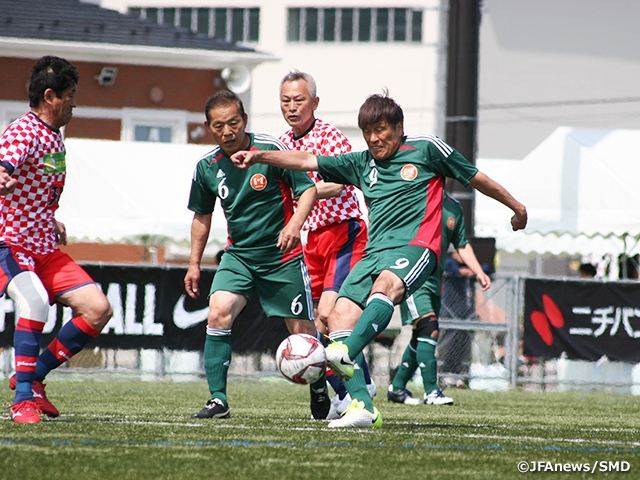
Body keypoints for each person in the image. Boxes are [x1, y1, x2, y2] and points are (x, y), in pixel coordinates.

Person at [231, 92, 527, 428]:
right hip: (373, 253)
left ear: (399, 127)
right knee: (337, 316)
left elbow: (476, 178)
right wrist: (258, 156)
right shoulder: (361, 163)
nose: (374, 138)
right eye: (368, 132)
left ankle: (346, 354)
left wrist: (517, 208)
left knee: (384, 289)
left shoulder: (427, 149)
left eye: (381, 130)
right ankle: (363, 407)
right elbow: (306, 161)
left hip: (415, 249)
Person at [184, 90, 326, 420]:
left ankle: (319, 387)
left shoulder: (270, 150)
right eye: (219, 125)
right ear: (209, 127)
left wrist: (293, 225)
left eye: (234, 122)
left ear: (244, 120)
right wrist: (193, 263)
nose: (228, 131)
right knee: (217, 313)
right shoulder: (206, 167)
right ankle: (218, 400)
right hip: (239, 256)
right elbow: (201, 217)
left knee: (302, 331)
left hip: (282, 256)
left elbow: (308, 189)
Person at [1, 56, 113, 423]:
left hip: (44, 247)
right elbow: (4, 165)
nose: (74, 103)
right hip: (11, 245)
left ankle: (31, 378)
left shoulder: (54, 137)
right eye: (70, 95)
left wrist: (50, 218)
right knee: (35, 304)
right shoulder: (24, 131)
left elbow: (33, 190)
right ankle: (21, 402)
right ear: (50, 96)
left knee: (98, 309)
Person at [278, 70, 373, 419]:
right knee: (315, 325)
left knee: (330, 315)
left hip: (343, 233)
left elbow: (343, 182)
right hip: (312, 239)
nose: (292, 107)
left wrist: (307, 191)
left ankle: (358, 391)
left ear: (314, 103)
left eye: (299, 100)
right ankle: (345, 390)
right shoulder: (281, 143)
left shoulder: (330, 136)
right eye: (286, 101)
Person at [388, 192, 491, 406]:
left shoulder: (453, 206)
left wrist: (478, 271)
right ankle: (432, 391)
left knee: (421, 335)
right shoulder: (411, 195)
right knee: (429, 328)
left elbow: (461, 243)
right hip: (413, 278)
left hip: (435, 282)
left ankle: (397, 388)